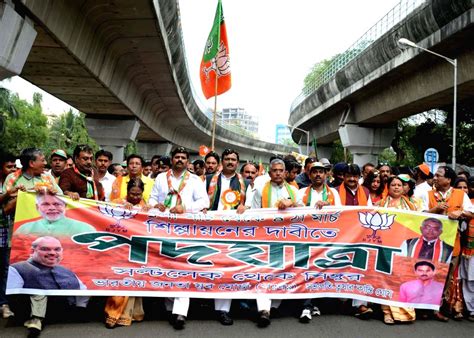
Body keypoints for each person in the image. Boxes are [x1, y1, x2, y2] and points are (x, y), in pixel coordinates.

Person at [149, 147, 209, 330]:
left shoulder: (194, 180)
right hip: (163, 228)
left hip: (186, 229)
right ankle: (170, 307)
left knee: (183, 267)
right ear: (172, 159)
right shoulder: (160, 178)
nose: (180, 160)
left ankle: (180, 311)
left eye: (183, 157)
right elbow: (151, 199)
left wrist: (186, 207)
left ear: (188, 161)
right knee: (167, 266)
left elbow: (204, 202)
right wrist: (155, 205)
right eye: (177, 157)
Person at [248, 159, 300, 327]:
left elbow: (305, 212)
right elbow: (254, 213)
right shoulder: (260, 191)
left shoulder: (293, 190)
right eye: (274, 170)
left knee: (283, 272)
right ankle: (263, 310)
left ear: (285, 173)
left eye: (281, 170)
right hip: (266, 237)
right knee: (264, 273)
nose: (278, 173)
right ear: (269, 174)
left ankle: (274, 305)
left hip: (288, 238)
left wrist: (292, 203)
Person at [7, 236, 88, 336]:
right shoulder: (17, 269)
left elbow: (84, 291)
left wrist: (80, 308)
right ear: (33, 251)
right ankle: (36, 321)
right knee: (37, 291)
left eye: (57, 249)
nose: (53, 253)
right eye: (45, 249)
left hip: (66, 312)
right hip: (30, 312)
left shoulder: (67, 271)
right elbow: (13, 297)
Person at [205, 149, 246, 326]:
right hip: (209, 229)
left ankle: (223, 310)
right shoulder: (208, 179)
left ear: (237, 162)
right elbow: (199, 201)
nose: (230, 162)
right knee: (205, 266)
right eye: (227, 159)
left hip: (233, 231)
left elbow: (252, 206)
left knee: (227, 269)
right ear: (222, 161)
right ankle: (202, 302)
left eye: (233, 159)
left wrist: (246, 206)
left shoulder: (245, 183)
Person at [297, 162, 341, 323]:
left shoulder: (333, 194)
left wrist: (328, 205)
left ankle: (315, 303)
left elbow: (340, 213)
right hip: (305, 239)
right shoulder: (301, 192)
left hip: (325, 239)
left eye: (321, 172)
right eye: (314, 172)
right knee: (306, 271)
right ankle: (306, 305)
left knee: (321, 271)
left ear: (326, 175)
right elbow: (295, 213)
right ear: (309, 175)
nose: (317, 175)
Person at [104, 178, 149, 329]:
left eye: (138, 194)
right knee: (120, 279)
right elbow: (106, 220)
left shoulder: (146, 207)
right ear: (127, 191)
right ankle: (113, 315)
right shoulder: (116, 203)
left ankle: (132, 314)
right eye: (132, 194)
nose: (135, 197)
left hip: (138, 249)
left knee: (134, 278)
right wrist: (123, 209)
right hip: (120, 248)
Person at [378, 175, 419, 324]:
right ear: (388, 188)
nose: (396, 187)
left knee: (403, 278)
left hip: (405, 246)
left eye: (399, 185)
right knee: (386, 277)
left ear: (404, 188)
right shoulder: (380, 204)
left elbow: (420, 223)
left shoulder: (412, 206)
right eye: (393, 185)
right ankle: (387, 312)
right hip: (386, 246)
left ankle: (404, 313)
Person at [336, 163, 372, 319]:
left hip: (360, 237)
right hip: (341, 236)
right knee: (341, 267)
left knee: (361, 268)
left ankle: (360, 305)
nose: (352, 179)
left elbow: (370, 212)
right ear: (343, 177)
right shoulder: (335, 192)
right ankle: (341, 301)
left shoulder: (365, 191)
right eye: (349, 176)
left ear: (359, 177)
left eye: (355, 176)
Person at [15, 193, 96, 237]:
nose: (52, 208)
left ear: (65, 206)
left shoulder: (84, 228)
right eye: (46, 204)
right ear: (37, 207)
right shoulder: (25, 228)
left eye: (57, 204)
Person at [0, 152, 18, 319]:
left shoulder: (14, 183)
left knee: (5, 269)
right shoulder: (8, 187)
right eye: (9, 167)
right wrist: (7, 194)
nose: (12, 170)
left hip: (5, 232)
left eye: (14, 166)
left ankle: (3, 303)